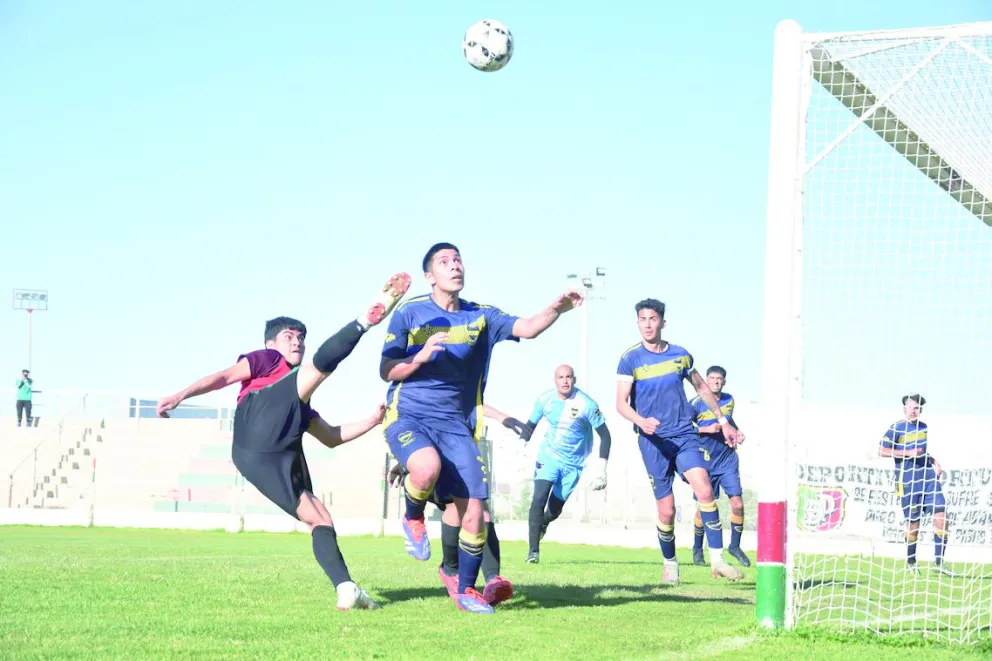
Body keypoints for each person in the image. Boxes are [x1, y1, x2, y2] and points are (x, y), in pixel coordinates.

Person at [157, 272, 411, 610]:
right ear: (271, 343)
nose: (297, 342)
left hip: (260, 457)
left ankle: (346, 588)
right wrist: (180, 395)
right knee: (313, 373)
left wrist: (372, 420)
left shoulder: (297, 401)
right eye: (289, 336)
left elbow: (331, 437)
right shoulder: (267, 361)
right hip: (257, 418)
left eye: (301, 338)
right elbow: (222, 377)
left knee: (320, 518)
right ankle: (365, 320)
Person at [380, 241, 583, 614]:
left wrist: (558, 307)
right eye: (444, 261)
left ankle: (467, 589)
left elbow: (529, 327)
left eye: (457, 260)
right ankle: (412, 518)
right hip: (409, 415)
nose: (454, 265)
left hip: (457, 425)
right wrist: (420, 357)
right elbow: (387, 370)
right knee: (425, 468)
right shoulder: (410, 314)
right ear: (430, 276)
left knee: (475, 510)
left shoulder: (481, 316)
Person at [615, 298, 744, 585]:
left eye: (652, 319)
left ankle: (718, 560)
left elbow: (700, 387)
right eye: (642, 319)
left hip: (685, 435)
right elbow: (621, 404)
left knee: (705, 490)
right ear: (638, 323)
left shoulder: (680, 356)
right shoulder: (630, 359)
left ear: (663, 322)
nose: (647, 324)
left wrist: (723, 422)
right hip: (653, 441)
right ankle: (670, 564)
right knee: (667, 509)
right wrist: (641, 421)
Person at [489, 364, 611, 564]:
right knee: (538, 499)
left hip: (574, 463)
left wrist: (601, 470)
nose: (565, 381)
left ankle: (543, 523)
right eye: (561, 377)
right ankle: (533, 551)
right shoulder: (544, 400)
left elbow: (605, 436)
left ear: (575, 379)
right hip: (549, 457)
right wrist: (520, 447)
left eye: (569, 377)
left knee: (554, 511)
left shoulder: (587, 404)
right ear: (555, 380)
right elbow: (530, 427)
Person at [878, 393, 953, 576]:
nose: (914, 410)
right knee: (914, 524)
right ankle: (911, 561)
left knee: (942, 516)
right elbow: (881, 450)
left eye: (917, 408)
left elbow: (921, 451)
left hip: (927, 478)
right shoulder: (897, 428)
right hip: (908, 481)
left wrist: (933, 461)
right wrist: (907, 452)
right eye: (911, 407)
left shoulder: (924, 427)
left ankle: (939, 562)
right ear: (904, 408)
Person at [687, 366, 749, 567]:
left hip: (727, 459)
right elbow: (684, 429)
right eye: (712, 378)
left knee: (738, 503)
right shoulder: (695, 404)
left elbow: (729, 421)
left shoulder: (729, 400)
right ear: (705, 380)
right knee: (703, 508)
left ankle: (735, 546)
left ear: (724, 382)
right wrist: (705, 429)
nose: (715, 381)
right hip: (705, 462)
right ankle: (697, 549)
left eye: (719, 379)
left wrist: (737, 431)